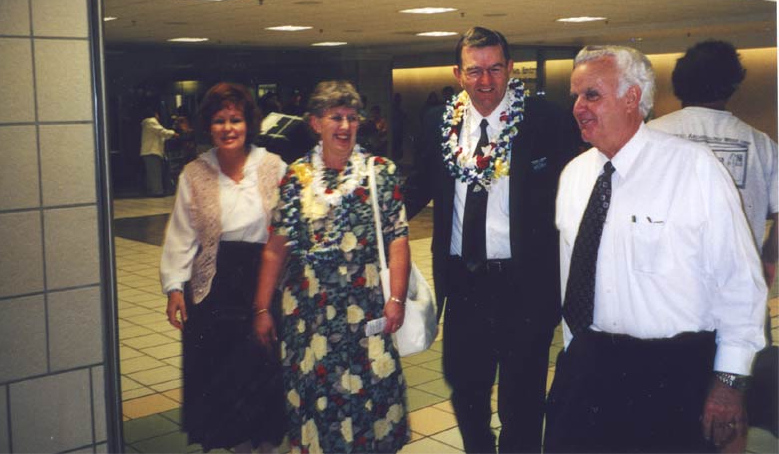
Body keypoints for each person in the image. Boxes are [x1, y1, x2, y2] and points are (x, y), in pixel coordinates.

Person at [544, 45, 767, 453]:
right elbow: (570, 276)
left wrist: (728, 382)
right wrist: (575, 353)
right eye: (575, 96)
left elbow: (740, 282)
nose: (578, 107)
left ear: (632, 97)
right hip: (589, 363)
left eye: (591, 95)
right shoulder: (575, 176)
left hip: (672, 372)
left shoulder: (693, 169)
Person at [404, 26, 580, 453]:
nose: (486, 81)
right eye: (474, 71)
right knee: (466, 390)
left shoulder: (545, 121)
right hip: (464, 283)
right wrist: (372, 223)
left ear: (511, 68)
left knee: (523, 399)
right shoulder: (438, 122)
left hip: (525, 284)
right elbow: (417, 187)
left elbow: (576, 189)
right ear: (457, 73)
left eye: (495, 69)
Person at [253, 80, 411, 453]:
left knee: (368, 404)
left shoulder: (379, 172)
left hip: (365, 313)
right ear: (315, 123)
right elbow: (275, 249)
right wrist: (261, 308)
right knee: (316, 407)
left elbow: (398, 239)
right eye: (335, 117)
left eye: (352, 117)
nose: (345, 126)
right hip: (309, 320)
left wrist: (397, 299)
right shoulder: (296, 178)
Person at [161, 82, 287, 453]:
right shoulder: (194, 173)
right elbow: (181, 235)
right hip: (214, 290)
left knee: (262, 375)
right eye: (219, 120)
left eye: (235, 119)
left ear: (249, 123)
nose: (228, 128)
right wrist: (174, 287)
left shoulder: (273, 166)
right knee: (223, 381)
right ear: (209, 126)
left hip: (263, 285)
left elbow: (289, 231)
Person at [648, 40, 778, 287]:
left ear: (678, 82)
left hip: (664, 284)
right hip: (738, 283)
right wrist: (769, 257)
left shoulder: (650, 136)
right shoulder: (761, 145)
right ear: (733, 84)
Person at [140, 97, 177, 196]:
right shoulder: (151, 121)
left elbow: (160, 135)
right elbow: (161, 131)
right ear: (155, 114)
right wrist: (173, 133)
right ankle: (157, 191)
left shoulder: (147, 123)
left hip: (149, 151)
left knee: (151, 173)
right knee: (155, 172)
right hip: (151, 151)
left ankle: (152, 190)